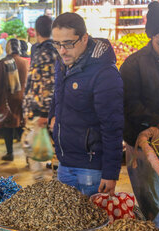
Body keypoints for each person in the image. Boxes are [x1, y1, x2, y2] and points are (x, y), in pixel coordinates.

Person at [50, 13, 123, 196]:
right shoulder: (63, 64)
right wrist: (52, 116)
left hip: (90, 169)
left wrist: (110, 173)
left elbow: (112, 126)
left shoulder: (104, 73)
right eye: (57, 44)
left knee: (92, 222)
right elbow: (57, 96)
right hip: (64, 163)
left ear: (84, 38)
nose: (62, 50)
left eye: (67, 43)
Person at [120, 1, 159, 228]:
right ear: (156, 35)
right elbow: (130, 106)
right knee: (151, 203)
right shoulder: (133, 65)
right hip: (141, 144)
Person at [22, 15, 57, 175]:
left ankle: (44, 189)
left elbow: (48, 85)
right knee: (40, 150)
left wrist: (44, 114)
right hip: (42, 110)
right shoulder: (46, 49)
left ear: (36, 31)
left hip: (41, 112)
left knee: (36, 152)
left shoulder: (46, 52)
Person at [0, 39, 29, 161]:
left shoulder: (3, 63)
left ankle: (10, 153)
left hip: (7, 100)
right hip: (22, 99)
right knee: (22, 127)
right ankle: (29, 156)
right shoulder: (25, 62)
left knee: (8, 127)